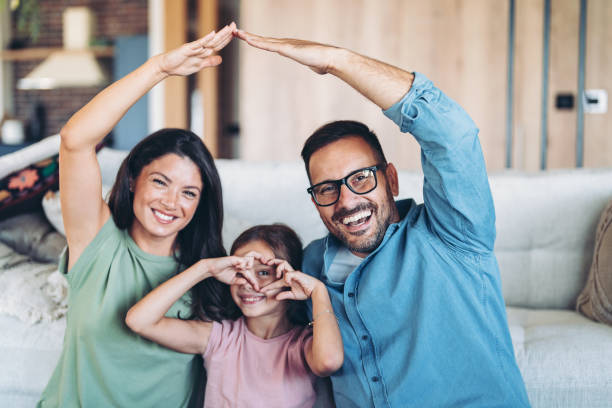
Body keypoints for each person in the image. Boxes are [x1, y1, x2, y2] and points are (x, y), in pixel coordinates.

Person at [235, 29, 531, 407]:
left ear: (390, 179)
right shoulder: (309, 265)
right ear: (315, 201)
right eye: (327, 189)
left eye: (361, 178)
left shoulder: (452, 233)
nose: (347, 201)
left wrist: (337, 61)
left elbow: (453, 136)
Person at [37, 24, 237, 407]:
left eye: (189, 193)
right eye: (160, 182)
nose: (171, 203)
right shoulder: (97, 243)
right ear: (133, 180)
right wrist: (160, 68)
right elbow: (74, 141)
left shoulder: (209, 275)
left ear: (199, 204)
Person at [125, 224, 343, 408]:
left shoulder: (303, 345)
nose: (250, 283)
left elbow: (328, 362)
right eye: (240, 271)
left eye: (264, 272)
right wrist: (206, 268)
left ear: (290, 277)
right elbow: (139, 321)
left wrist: (317, 291)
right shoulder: (220, 338)